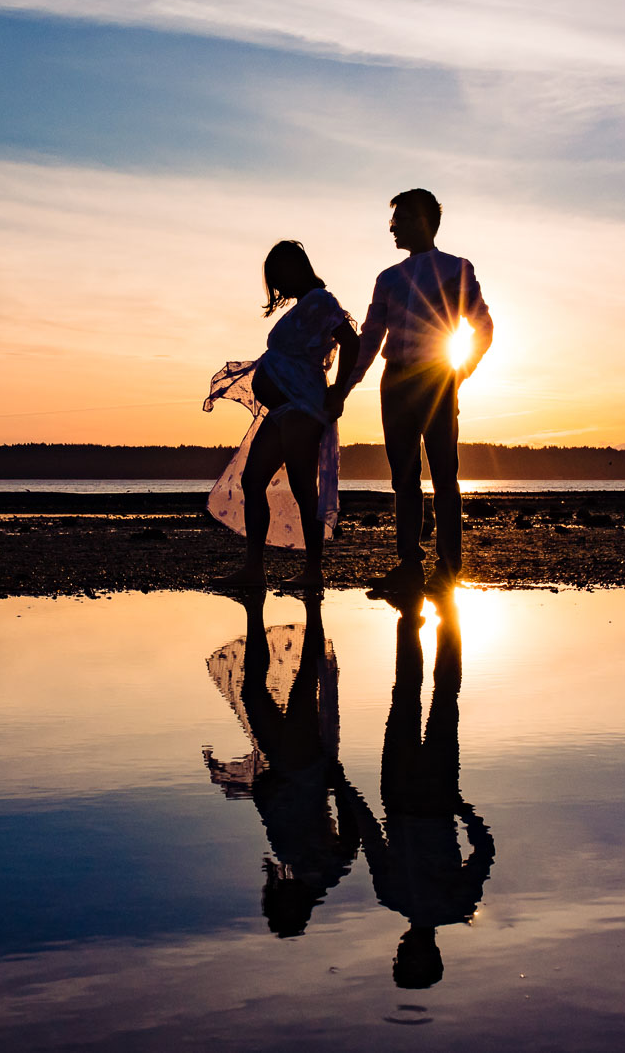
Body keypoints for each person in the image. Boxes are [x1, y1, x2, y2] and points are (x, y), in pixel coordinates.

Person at [332, 189, 492, 594]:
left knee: (444, 475)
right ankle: (408, 565)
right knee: (403, 477)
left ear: (422, 221)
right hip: (396, 380)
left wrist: (461, 371)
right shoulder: (388, 278)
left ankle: (448, 567)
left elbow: (483, 327)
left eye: (400, 219)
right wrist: (343, 388)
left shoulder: (457, 268)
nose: (392, 227)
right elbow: (369, 339)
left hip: (437, 378)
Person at [333, 591, 494, 988]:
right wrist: (342, 784)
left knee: (441, 699)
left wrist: (463, 809)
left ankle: (442, 611)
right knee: (408, 696)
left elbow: (484, 850)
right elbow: (370, 834)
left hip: (435, 798)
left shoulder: (456, 905)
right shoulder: (395, 897)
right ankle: (411, 614)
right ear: (406, 949)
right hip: (408, 797)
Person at [202, 592, 358, 937]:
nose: (277, 897)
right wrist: (339, 782)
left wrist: (265, 788)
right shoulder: (324, 873)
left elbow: (276, 813)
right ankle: (307, 608)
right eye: (281, 908)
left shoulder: (298, 866)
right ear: (296, 910)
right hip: (305, 767)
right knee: (297, 685)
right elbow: (351, 832)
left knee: (261, 693)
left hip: (291, 768)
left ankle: (265, 612)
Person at [204, 241, 359, 588]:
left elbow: (352, 342)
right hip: (284, 409)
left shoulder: (321, 301)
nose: (278, 287)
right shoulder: (307, 305)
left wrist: (339, 391)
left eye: (279, 277)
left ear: (294, 269)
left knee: (304, 486)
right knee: (252, 480)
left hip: (303, 407)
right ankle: (254, 569)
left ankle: (313, 572)